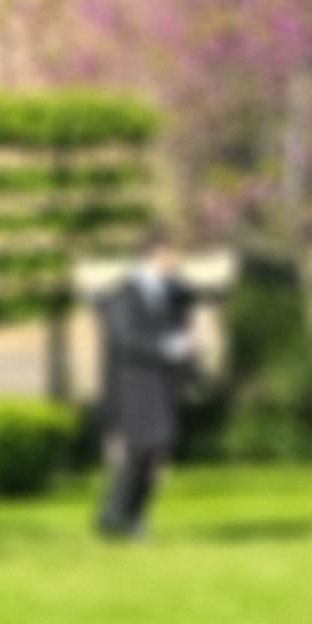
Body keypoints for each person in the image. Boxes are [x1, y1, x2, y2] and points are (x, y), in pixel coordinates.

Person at [95, 229, 197, 537]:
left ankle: (129, 516)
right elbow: (126, 341)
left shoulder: (171, 291)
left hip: (161, 383)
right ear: (158, 253)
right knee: (139, 452)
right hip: (135, 385)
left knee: (155, 451)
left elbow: (184, 321)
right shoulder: (124, 293)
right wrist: (167, 347)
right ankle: (117, 516)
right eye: (174, 252)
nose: (178, 259)